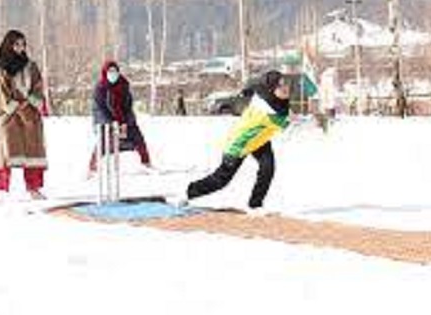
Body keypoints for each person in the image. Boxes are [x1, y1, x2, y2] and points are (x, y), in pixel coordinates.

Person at [178, 70, 291, 211]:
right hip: (240, 142)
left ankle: (255, 205)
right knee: (221, 180)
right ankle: (188, 192)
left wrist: (248, 90)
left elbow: (255, 86)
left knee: (267, 168)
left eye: (286, 83)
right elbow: (282, 122)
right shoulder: (269, 110)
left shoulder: (270, 97)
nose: (286, 88)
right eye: (281, 86)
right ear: (271, 88)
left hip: (259, 140)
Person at [0, 29, 47, 202]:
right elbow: (3, 95)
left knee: (33, 153)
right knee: (6, 154)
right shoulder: (1, 70)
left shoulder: (31, 66)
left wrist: (32, 100)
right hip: (11, 117)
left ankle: (34, 188)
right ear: (9, 45)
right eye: (16, 44)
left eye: (23, 44)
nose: (20, 48)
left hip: (30, 115)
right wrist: (15, 105)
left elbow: (38, 86)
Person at [88, 60, 152, 174]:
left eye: (115, 71)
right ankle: (92, 167)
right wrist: (111, 123)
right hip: (106, 122)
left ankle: (146, 163)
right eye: (110, 71)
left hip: (124, 120)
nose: (113, 74)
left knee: (138, 139)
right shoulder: (100, 88)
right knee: (104, 143)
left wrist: (125, 122)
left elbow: (128, 106)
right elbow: (99, 109)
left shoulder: (124, 85)